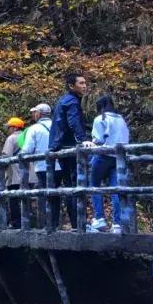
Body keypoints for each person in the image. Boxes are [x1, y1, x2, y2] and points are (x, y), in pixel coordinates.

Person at [48, 72, 91, 230]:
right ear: (71, 86)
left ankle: (77, 224)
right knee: (75, 183)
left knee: (70, 183)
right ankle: (79, 224)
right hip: (66, 145)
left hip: (59, 144)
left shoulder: (66, 100)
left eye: (85, 83)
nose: (84, 86)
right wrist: (82, 139)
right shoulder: (72, 101)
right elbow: (73, 121)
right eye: (81, 83)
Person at [89, 95, 130, 233]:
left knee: (94, 185)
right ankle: (118, 224)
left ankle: (99, 218)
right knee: (116, 190)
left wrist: (90, 143)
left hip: (103, 155)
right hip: (119, 157)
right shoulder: (121, 119)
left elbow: (99, 140)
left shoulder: (101, 118)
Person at [1, 117, 26, 228]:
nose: (8, 130)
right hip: (28, 174)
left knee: (14, 199)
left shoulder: (11, 138)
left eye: (9, 127)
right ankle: (27, 221)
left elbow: (6, 156)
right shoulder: (27, 137)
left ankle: (15, 223)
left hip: (15, 174)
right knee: (26, 198)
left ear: (15, 127)